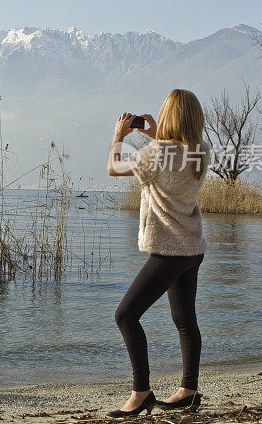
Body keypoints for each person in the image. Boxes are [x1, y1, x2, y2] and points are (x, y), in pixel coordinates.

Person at [105, 89, 210, 417]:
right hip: (192, 249)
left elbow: (113, 167)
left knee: (126, 315)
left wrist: (119, 136)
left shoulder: (156, 153)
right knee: (184, 320)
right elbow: (176, 154)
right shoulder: (201, 151)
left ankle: (141, 392)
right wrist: (154, 135)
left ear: (167, 116)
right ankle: (189, 390)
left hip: (168, 251)